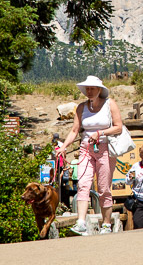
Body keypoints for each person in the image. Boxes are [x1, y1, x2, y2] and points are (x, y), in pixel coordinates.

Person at [56, 76, 123, 235]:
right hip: (86, 148)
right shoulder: (81, 107)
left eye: (92, 88)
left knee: (103, 187)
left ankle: (106, 223)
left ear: (99, 89)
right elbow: (74, 130)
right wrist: (64, 146)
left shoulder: (109, 104)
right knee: (83, 183)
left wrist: (100, 133)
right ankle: (81, 222)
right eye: (88, 88)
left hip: (105, 148)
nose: (89, 91)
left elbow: (119, 127)